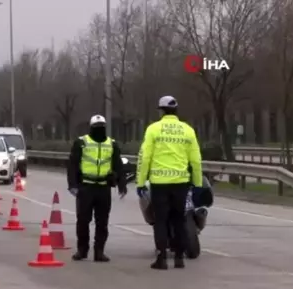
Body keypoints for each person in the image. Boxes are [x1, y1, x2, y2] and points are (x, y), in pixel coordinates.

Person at [136, 95, 203, 270]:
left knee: (161, 221)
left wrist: (140, 182)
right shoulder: (187, 130)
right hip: (181, 183)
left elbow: (145, 157)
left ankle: (162, 259)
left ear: (161, 111)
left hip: (159, 183)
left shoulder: (153, 129)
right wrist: (197, 183)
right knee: (179, 219)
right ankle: (179, 258)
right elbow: (196, 160)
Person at [67, 114, 128, 262]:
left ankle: (99, 251)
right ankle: (82, 250)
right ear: (91, 128)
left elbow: (118, 165)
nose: (99, 130)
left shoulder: (112, 144)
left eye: (102, 128)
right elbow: (73, 165)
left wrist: (122, 184)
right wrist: (73, 185)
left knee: (102, 222)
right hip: (85, 187)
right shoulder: (82, 143)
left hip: (103, 188)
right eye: (96, 128)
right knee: (83, 220)